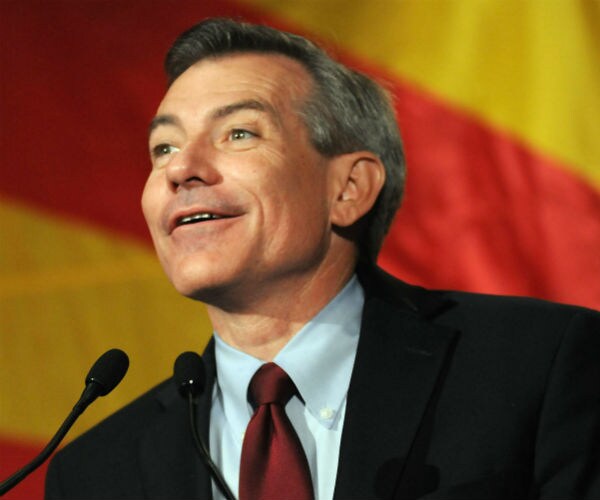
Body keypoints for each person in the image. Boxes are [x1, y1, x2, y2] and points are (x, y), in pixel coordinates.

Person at [45, 18, 600, 500]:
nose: (179, 169)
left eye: (238, 133)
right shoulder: (96, 471)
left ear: (348, 189)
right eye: (163, 147)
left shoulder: (537, 369)